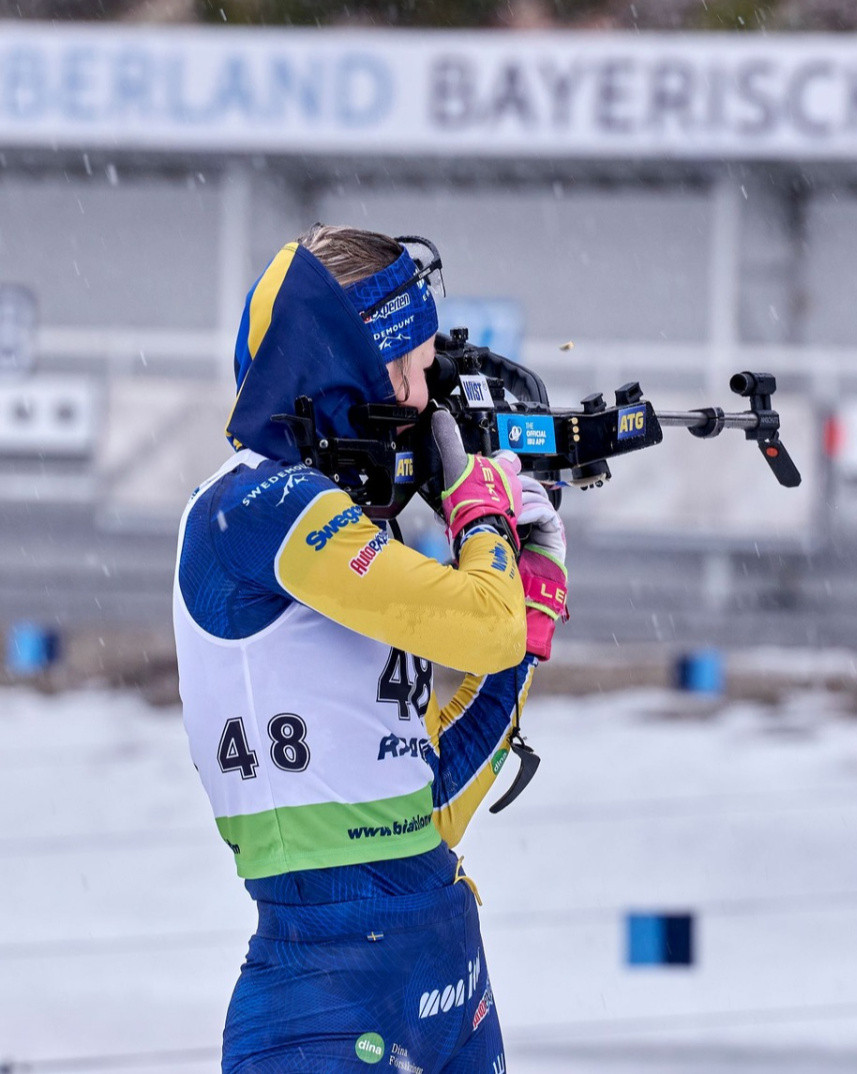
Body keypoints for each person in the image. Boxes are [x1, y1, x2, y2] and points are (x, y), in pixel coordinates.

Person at [172, 225, 569, 1074]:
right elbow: (481, 622)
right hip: (325, 988)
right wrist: (476, 507)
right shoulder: (253, 510)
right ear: (362, 359)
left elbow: (423, 813)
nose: (430, 399)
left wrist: (530, 607)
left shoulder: (346, 530)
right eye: (421, 367)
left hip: (443, 965)